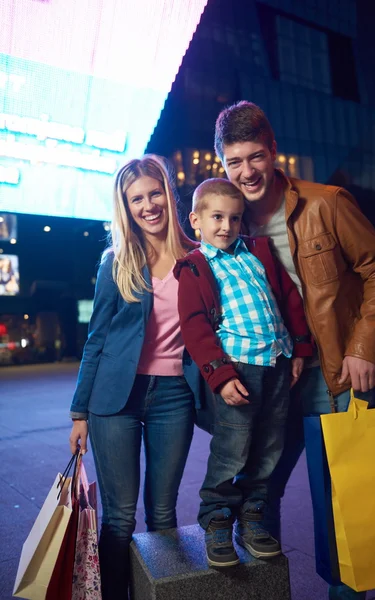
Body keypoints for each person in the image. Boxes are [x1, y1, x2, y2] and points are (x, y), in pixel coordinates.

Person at [214, 101, 375, 598]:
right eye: (235, 161)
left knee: (342, 494)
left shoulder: (326, 203)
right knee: (258, 493)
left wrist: (365, 347)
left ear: (274, 153)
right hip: (270, 375)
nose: (246, 171)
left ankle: (346, 591)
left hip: (331, 369)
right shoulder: (229, 224)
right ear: (223, 165)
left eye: (255, 157)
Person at [69, 155, 200, 600]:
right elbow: (96, 340)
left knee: (163, 513)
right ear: (126, 207)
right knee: (120, 518)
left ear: (168, 193)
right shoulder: (117, 262)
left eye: (154, 193)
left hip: (174, 397)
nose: (148, 205)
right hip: (114, 401)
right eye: (136, 199)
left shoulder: (198, 259)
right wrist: (79, 413)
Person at [174, 178, 312, 568]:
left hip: (278, 362)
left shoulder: (258, 252)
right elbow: (195, 327)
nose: (226, 226)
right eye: (216, 217)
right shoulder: (194, 267)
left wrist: (299, 347)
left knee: (270, 445)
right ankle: (217, 519)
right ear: (196, 220)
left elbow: (289, 299)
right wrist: (220, 375)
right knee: (232, 449)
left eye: (234, 218)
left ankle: (252, 519)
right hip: (238, 369)